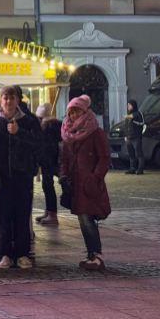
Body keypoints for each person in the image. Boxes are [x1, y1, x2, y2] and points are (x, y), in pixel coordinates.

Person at [0, 86, 41, 269]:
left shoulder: (29, 120)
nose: (8, 101)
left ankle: (22, 253)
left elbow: (38, 144)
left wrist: (19, 133)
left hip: (22, 175)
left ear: (18, 100)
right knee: (3, 217)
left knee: (22, 215)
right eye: (5, 98)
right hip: (1, 177)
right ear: (0, 100)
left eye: (12, 98)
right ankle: (5, 254)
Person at [60, 95, 111, 271]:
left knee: (88, 218)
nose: (73, 115)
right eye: (71, 112)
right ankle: (92, 254)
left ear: (85, 111)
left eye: (77, 111)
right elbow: (65, 158)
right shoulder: (68, 132)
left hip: (88, 183)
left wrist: (95, 177)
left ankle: (95, 255)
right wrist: (63, 175)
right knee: (84, 219)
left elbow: (104, 157)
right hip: (75, 183)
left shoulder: (95, 132)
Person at [35, 103, 62, 227]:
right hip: (52, 160)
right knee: (47, 187)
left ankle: (52, 214)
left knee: (48, 187)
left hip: (49, 161)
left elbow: (46, 146)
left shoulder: (47, 126)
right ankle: (49, 212)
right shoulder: (55, 124)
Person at [124, 100, 145, 175]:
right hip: (129, 138)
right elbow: (126, 126)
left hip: (136, 137)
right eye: (128, 105)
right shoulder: (128, 115)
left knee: (139, 153)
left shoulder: (138, 113)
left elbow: (140, 122)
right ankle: (132, 168)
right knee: (131, 154)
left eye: (129, 105)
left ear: (133, 105)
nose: (128, 106)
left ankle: (140, 169)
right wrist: (126, 136)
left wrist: (128, 117)